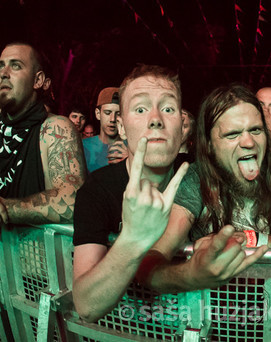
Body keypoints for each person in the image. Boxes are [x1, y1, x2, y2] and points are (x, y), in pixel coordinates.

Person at [135, 84, 271, 295]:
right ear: (209, 145)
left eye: (255, 130)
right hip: (219, 319)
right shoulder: (196, 180)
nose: (249, 142)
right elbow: (150, 263)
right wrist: (189, 275)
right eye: (232, 134)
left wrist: (248, 239)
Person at [72, 65, 190, 322]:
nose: (156, 118)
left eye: (168, 109)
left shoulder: (200, 176)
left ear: (182, 126)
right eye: (140, 109)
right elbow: (86, 305)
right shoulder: (96, 191)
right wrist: (133, 239)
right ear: (123, 129)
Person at [0, 42, 86, 234]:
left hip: (35, 260)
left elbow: (72, 201)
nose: (4, 72)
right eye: (0, 66)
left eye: (16, 65)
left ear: (38, 80)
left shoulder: (55, 129)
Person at [83, 87, 121, 173]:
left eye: (118, 114)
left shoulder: (130, 148)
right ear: (98, 114)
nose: (112, 119)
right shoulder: (83, 146)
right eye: (107, 113)